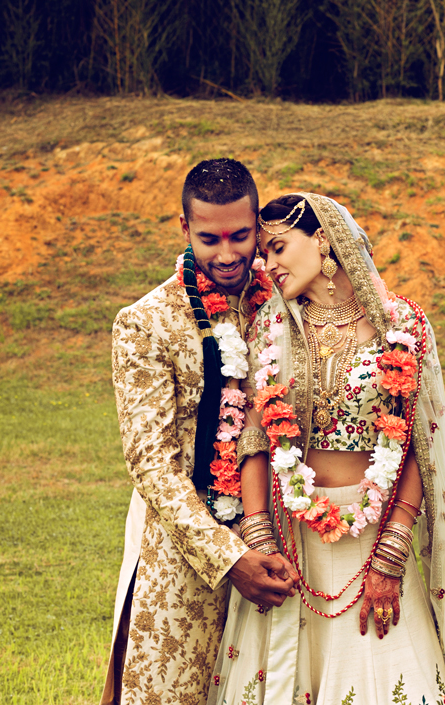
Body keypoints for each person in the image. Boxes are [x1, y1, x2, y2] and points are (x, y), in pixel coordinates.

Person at [207, 193, 445, 705]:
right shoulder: (270, 329)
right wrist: (258, 537)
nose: (268, 266)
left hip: (374, 537)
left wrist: (391, 553)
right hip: (291, 542)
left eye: (278, 248)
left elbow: (417, 444)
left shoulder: (401, 326)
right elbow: (254, 439)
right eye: (264, 254)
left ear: (323, 239)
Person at [102, 159, 298, 705]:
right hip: (182, 559)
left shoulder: (286, 303)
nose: (228, 253)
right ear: (185, 229)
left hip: (282, 544)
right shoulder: (147, 322)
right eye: (210, 238)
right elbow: (151, 464)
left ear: (259, 225)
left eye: (241, 235)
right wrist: (229, 559)